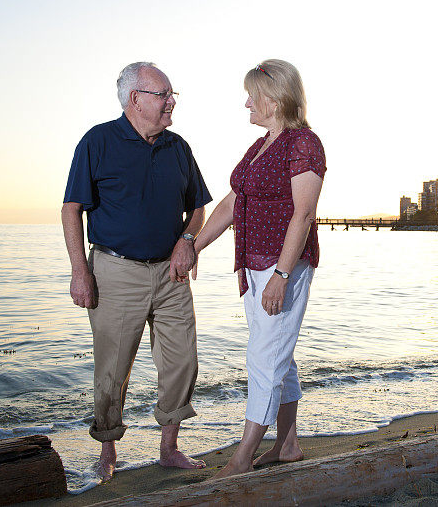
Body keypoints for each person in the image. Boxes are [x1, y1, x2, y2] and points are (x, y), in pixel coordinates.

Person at [61, 62, 212, 481]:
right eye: (163, 95)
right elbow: (71, 208)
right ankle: (108, 450)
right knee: (113, 367)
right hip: (114, 271)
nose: (171, 102)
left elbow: (198, 206)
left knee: (183, 360)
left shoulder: (177, 146)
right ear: (135, 99)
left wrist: (187, 241)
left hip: (171, 273)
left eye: (171, 94)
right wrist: (80, 272)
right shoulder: (97, 141)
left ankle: (169, 448)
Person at [192, 59, 326, 478]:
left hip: (282, 266)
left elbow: (303, 215)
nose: (246, 102)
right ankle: (286, 445)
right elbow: (233, 203)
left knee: (264, 355)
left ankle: (242, 456)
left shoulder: (304, 143)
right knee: (277, 353)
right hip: (253, 267)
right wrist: (194, 246)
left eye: (252, 94)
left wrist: (282, 276)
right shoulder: (261, 145)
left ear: (273, 98)